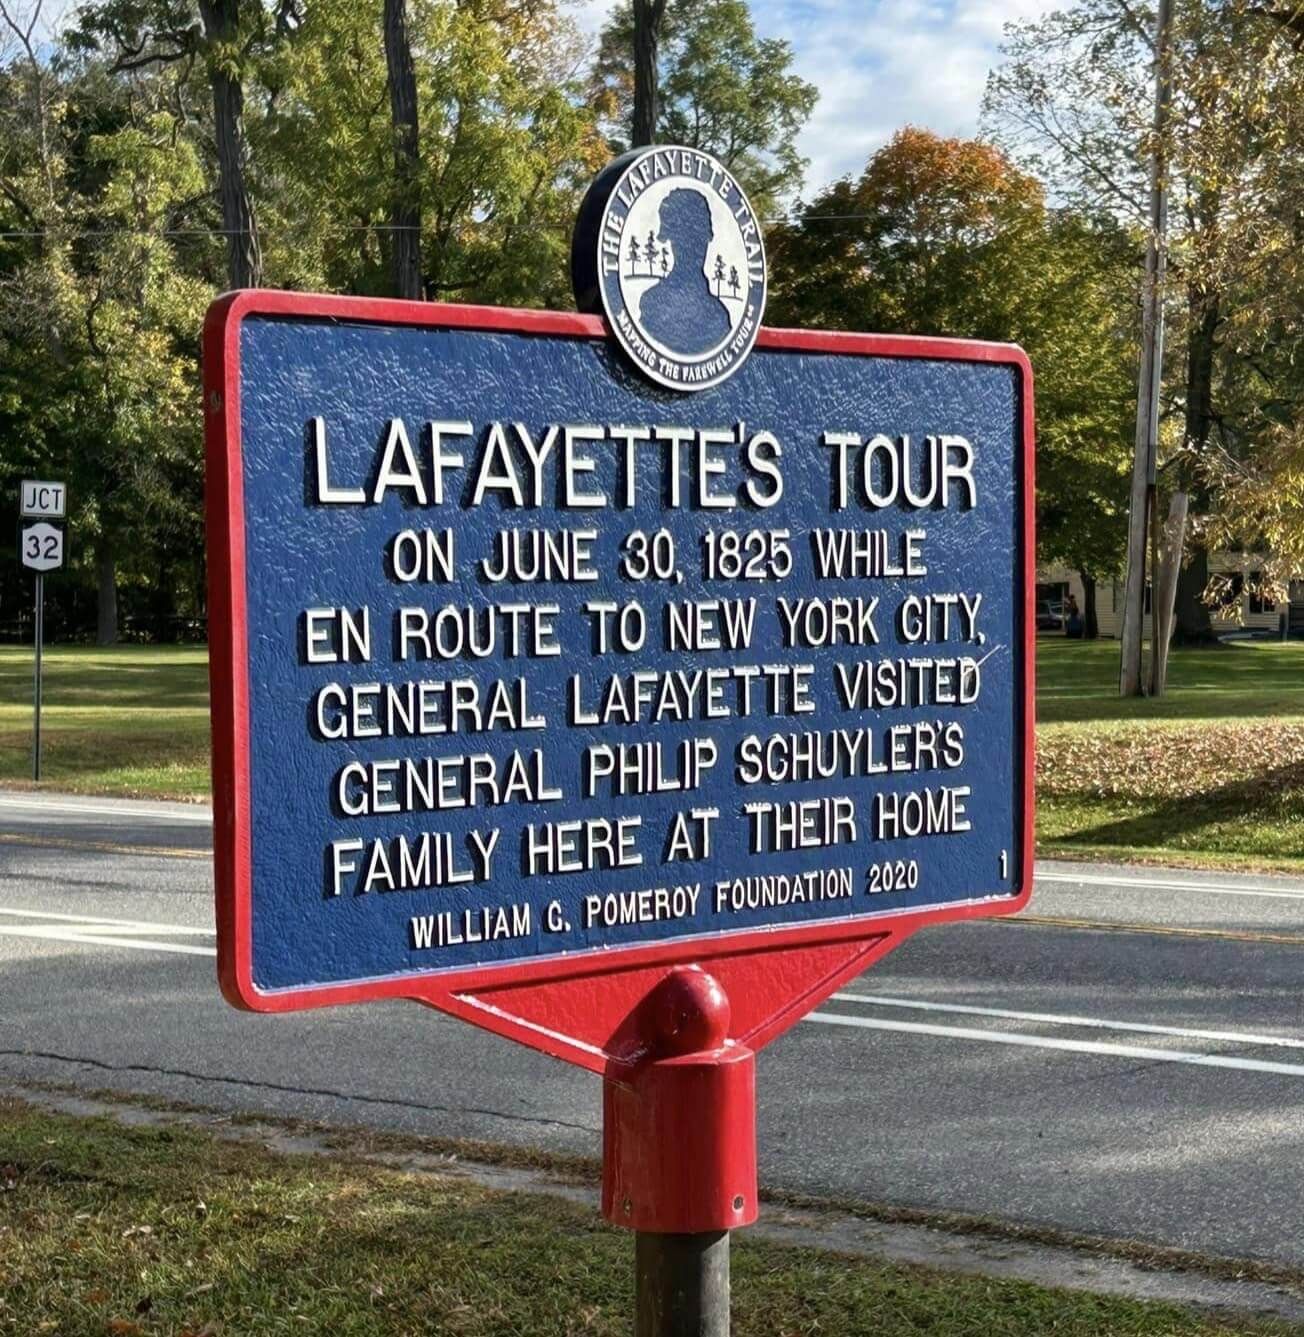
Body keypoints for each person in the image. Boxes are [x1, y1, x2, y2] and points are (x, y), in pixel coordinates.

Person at [638, 188, 733, 356]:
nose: (696, 245)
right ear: (671, 239)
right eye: (686, 237)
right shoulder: (650, 303)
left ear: (708, 236)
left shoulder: (719, 315)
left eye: (699, 236)